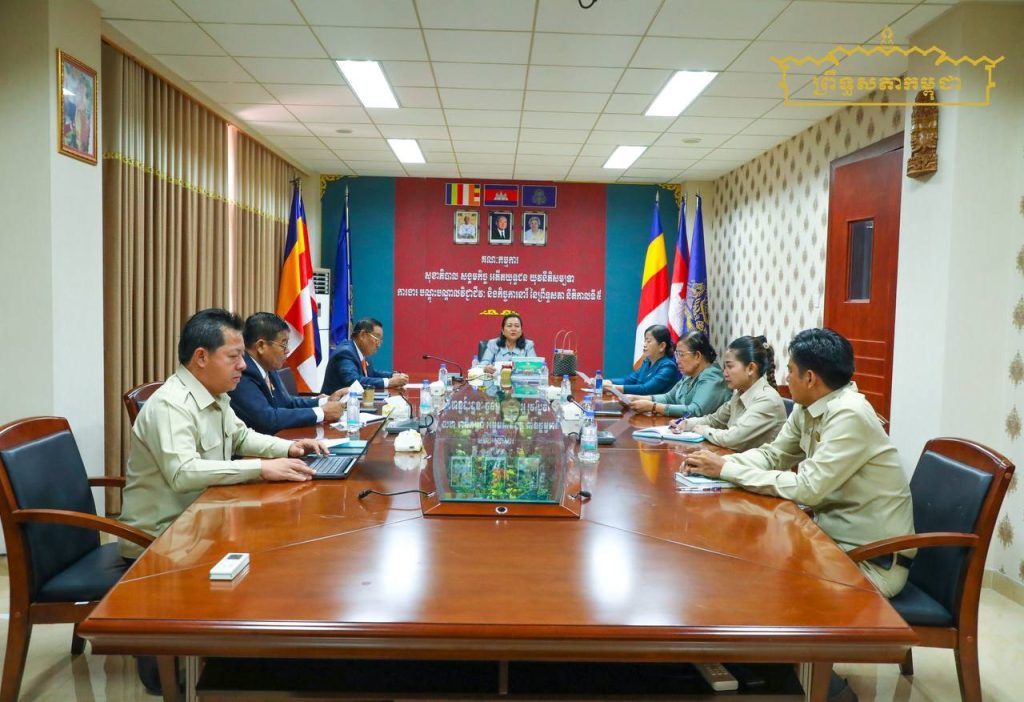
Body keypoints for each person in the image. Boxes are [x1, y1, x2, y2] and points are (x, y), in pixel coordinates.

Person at [119, 309, 327, 560]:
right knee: (274, 557)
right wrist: (261, 468)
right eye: (233, 356)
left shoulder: (215, 394)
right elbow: (183, 473)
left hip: (205, 521)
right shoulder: (171, 404)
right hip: (162, 540)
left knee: (286, 540)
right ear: (201, 357)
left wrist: (290, 448)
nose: (243, 364)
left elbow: (241, 437)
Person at [229, 312, 349, 434]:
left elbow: (287, 403)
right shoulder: (242, 372)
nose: (287, 350)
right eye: (283, 344)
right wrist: (322, 412)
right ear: (261, 346)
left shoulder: (268, 366)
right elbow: (267, 419)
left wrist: (326, 401)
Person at [672, 335, 786, 451]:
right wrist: (687, 423)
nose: (725, 373)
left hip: (752, 462)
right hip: (734, 458)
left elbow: (732, 438)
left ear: (751, 368)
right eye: (724, 367)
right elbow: (714, 420)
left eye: (730, 367)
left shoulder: (767, 400)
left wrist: (704, 430)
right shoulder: (740, 394)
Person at [625, 330, 730, 418]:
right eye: (676, 354)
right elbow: (669, 398)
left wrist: (653, 407)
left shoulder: (712, 377)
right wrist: (636, 398)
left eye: (681, 354)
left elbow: (695, 411)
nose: (677, 360)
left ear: (697, 356)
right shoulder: (690, 374)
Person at [322, 317, 409, 394]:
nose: (378, 345)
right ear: (362, 335)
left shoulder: (362, 353)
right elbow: (353, 381)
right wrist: (389, 382)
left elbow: (372, 374)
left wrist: (392, 376)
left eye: (380, 340)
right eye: (376, 339)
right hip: (335, 404)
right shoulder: (346, 353)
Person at [605, 324, 680, 395]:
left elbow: (645, 390)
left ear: (662, 346)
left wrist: (612, 388)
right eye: (645, 341)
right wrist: (607, 382)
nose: (644, 345)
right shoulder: (647, 363)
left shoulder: (668, 367)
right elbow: (628, 381)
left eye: (648, 341)